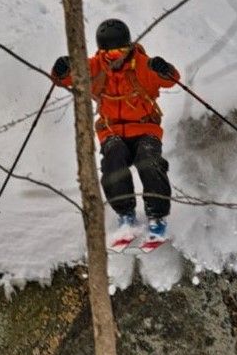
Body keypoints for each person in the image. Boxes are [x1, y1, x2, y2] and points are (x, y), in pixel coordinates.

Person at [51, 18, 180, 251]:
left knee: (148, 161)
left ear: (129, 46)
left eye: (121, 50)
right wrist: (61, 70)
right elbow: (66, 79)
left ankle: (157, 217)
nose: (115, 56)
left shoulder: (141, 64)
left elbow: (171, 79)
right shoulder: (95, 66)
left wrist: (164, 69)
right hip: (111, 130)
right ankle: (126, 217)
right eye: (109, 52)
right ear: (101, 51)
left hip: (145, 128)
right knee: (113, 159)